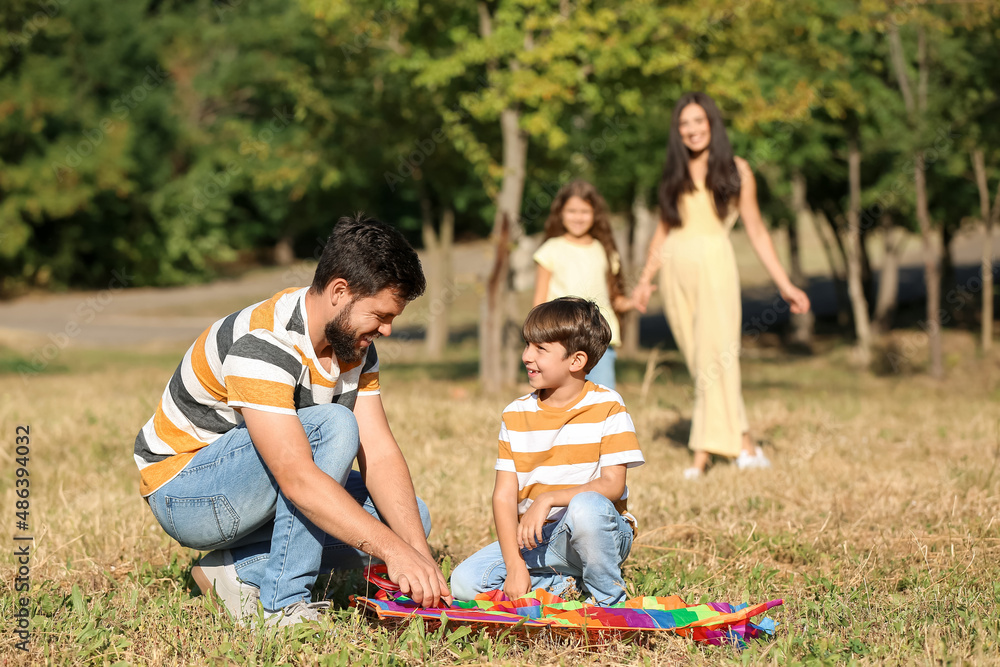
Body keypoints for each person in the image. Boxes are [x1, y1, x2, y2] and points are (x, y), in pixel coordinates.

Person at [133, 215, 450, 627]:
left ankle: (235, 570)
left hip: (254, 482)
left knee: (411, 520)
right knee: (333, 426)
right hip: (187, 492)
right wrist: (393, 552)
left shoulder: (353, 346)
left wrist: (417, 555)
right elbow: (296, 476)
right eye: (380, 315)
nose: (387, 330)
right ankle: (282, 604)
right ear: (340, 291)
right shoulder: (265, 342)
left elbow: (381, 454)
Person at [631, 92, 811, 480]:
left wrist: (785, 285)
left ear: (712, 124)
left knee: (718, 357)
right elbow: (661, 235)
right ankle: (743, 444)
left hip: (715, 268)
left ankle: (701, 453)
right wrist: (645, 281)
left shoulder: (737, 170)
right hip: (676, 272)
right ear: (677, 131)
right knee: (700, 363)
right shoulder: (674, 174)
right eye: (684, 124)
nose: (693, 130)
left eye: (699, 122)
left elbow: (758, 231)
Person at [450, 297, 645, 605]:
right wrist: (514, 566)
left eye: (541, 349)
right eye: (528, 345)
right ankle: (566, 586)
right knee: (464, 582)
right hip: (539, 541)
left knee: (585, 508)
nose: (527, 356)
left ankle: (609, 599)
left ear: (576, 361)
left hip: (600, 531)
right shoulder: (515, 414)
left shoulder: (608, 406)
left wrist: (548, 499)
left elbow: (612, 485)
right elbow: (503, 496)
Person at [532, 180, 632, 390]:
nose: (578, 217)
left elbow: (614, 300)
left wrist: (634, 301)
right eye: (572, 211)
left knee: (601, 402)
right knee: (560, 401)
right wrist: (537, 343)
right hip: (560, 343)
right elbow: (539, 302)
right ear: (561, 213)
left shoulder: (605, 250)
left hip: (600, 344)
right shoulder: (551, 249)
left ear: (595, 214)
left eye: (585, 211)